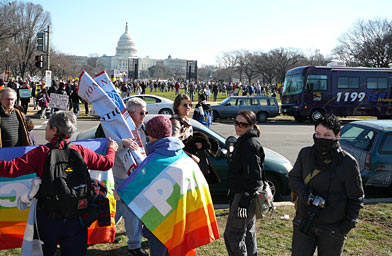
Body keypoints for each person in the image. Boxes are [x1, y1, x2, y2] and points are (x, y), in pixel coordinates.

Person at [0, 111, 118, 256]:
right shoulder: (79, 150)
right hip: (77, 216)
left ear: (54, 130)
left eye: (48, 126)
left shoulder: (41, 152)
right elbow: (107, 163)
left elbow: (9, 169)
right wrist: (111, 148)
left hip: (48, 215)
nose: (46, 129)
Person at [288, 114, 364, 256]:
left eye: (327, 135)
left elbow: (356, 198)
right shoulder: (305, 154)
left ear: (337, 135)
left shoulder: (347, 163)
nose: (321, 138)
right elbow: (293, 178)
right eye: (318, 134)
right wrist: (304, 193)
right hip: (304, 222)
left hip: (332, 229)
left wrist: (344, 227)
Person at [110, 97, 149, 256]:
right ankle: (134, 246)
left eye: (145, 112)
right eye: (142, 112)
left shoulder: (143, 128)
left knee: (119, 209)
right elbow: (107, 144)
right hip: (122, 177)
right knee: (132, 212)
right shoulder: (118, 127)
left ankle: (107, 232)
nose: (144, 115)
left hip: (137, 176)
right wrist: (122, 142)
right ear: (131, 113)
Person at [141, 115, 183, 256]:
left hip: (158, 215)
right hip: (178, 213)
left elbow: (141, 185)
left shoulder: (154, 158)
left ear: (152, 135)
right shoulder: (179, 152)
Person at [224, 110, 264, 256]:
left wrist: (244, 201)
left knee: (233, 236)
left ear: (252, 125)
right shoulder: (244, 141)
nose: (238, 126)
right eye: (236, 122)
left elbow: (254, 177)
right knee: (247, 232)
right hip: (244, 195)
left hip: (245, 197)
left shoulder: (249, 144)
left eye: (243, 124)